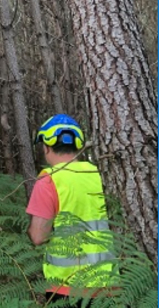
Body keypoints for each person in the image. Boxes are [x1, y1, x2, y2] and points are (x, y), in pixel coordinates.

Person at [26, 114, 117, 307]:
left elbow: (38, 236)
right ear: (77, 145)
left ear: (47, 146)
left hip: (67, 287)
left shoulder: (49, 180)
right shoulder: (99, 173)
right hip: (109, 285)